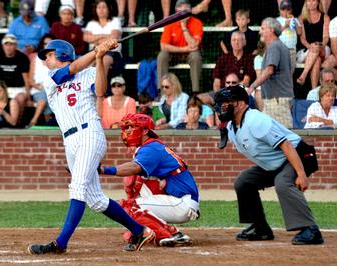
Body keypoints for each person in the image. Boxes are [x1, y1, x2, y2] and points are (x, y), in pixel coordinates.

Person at [27, 39, 154, 255]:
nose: (45, 59)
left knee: (77, 187)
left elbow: (101, 91)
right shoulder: (51, 78)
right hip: (69, 140)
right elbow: (73, 69)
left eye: (49, 54)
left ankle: (61, 243)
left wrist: (99, 58)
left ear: (63, 54)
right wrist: (97, 50)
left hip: (89, 133)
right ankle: (138, 229)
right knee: (95, 199)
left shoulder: (88, 73)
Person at [213, 85, 324, 245]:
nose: (222, 106)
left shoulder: (256, 120)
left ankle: (311, 230)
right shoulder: (231, 127)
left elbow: (286, 145)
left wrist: (301, 174)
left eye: (227, 102)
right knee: (244, 181)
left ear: (241, 104)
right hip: (277, 163)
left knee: (283, 182)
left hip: (300, 154)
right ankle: (260, 228)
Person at [99, 113, 200, 246]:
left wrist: (103, 170)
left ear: (145, 130)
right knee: (134, 193)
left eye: (131, 127)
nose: (127, 131)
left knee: (129, 206)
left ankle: (167, 233)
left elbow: (133, 168)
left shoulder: (151, 148)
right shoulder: (151, 146)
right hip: (181, 200)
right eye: (126, 128)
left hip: (182, 202)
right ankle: (171, 232)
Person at [248, 17, 294, 129]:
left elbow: (269, 70)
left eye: (263, 28)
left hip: (277, 100)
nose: (260, 32)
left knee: (284, 136)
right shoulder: (277, 46)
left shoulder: (274, 46)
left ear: (271, 30)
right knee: (269, 135)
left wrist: (253, 86)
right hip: (274, 100)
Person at [157, 0, 203, 93]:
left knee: (196, 56)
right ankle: (161, 91)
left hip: (190, 54)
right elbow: (163, 46)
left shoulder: (197, 23)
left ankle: (196, 92)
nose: (183, 15)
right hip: (174, 55)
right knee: (162, 55)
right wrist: (183, 49)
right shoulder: (170, 22)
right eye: (180, 12)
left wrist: (184, 27)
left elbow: (194, 45)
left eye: (185, 12)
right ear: (176, 12)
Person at [0, 34, 31, 111]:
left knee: (20, 99)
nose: (9, 47)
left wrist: (28, 97)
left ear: (16, 45)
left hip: (19, 89)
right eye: (6, 44)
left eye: (11, 44)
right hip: (2, 89)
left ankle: (17, 122)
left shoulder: (22, 58)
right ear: (3, 46)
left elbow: (26, 79)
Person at [83, 0, 123, 78]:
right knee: (87, 63)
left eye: (104, 7)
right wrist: (104, 36)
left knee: (104, 60)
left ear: (109, 9)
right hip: (94, 51)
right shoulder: (91, 23)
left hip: (111, 52)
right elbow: (86, 38)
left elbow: (114, 37)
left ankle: (99, 87)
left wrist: (95, 40)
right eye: (99, 7)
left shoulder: (115, 21)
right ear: (95, 9)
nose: (101, 10)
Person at [296, 0, 330, 89]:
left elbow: (326, 37)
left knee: (317, 48)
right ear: (305, 3)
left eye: (313, 0)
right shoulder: (301, 18)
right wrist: (310, 47)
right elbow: (302, 39)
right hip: (306, 50)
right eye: (308, 1)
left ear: (318, 2)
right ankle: (314, 90)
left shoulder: (325, 17)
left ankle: (303, 74)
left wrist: (320, 45)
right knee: (317, 59)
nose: (311, 3)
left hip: (322, 48)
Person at [29, 34, 55, 126]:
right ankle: (39, 121)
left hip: (53, 89)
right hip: (38, 89)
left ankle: (35, 121)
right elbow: (31, 79)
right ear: (42, 45)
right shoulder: (36, 59)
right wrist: (38, 87)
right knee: (44, 94)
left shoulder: (57, 59)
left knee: (46, 93)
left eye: (50, 44)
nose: (47, 46)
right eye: (45, 43)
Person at [276, 0, 300, 75]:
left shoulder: (295, 19)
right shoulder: (277, 20)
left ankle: (288, 85)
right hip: (280, 50)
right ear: (280, 10)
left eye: (288, 9)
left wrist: (294, 22)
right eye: (283, 9)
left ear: (291, 10)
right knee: (280, 70)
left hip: (291, 50)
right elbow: (276, 33)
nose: (286, 11)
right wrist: (285, 25)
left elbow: (299, 32)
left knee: (290, 72)